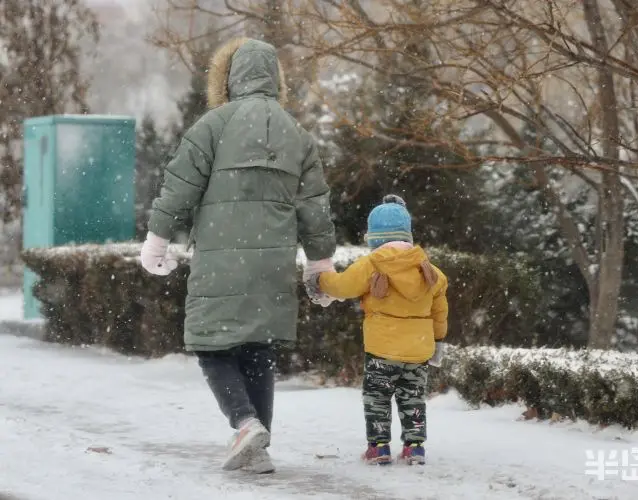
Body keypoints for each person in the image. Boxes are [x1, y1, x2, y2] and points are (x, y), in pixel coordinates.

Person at [139, 37, 336, 474]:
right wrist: (320, 263)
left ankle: (245, 424)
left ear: (227, 78)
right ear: (276, 79)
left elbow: (179, 187)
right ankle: (257, 447)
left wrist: (158, 238)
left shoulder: (213, 125)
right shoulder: (297, 135)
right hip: (273, 264)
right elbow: (315, 207)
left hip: (222, 259)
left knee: (212, 346)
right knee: (258, 350)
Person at [304, 195, 448, 466]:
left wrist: (320, 279)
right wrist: (438, 341)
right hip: (418, 351)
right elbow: (440, 313)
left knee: (377, 398)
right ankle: (414, 447)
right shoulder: (431, 272)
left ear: (375, 237)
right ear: (408, 235)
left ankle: (379, 446)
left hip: (382, 350)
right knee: (413, 399)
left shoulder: (372, 264)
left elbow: (343, 286)